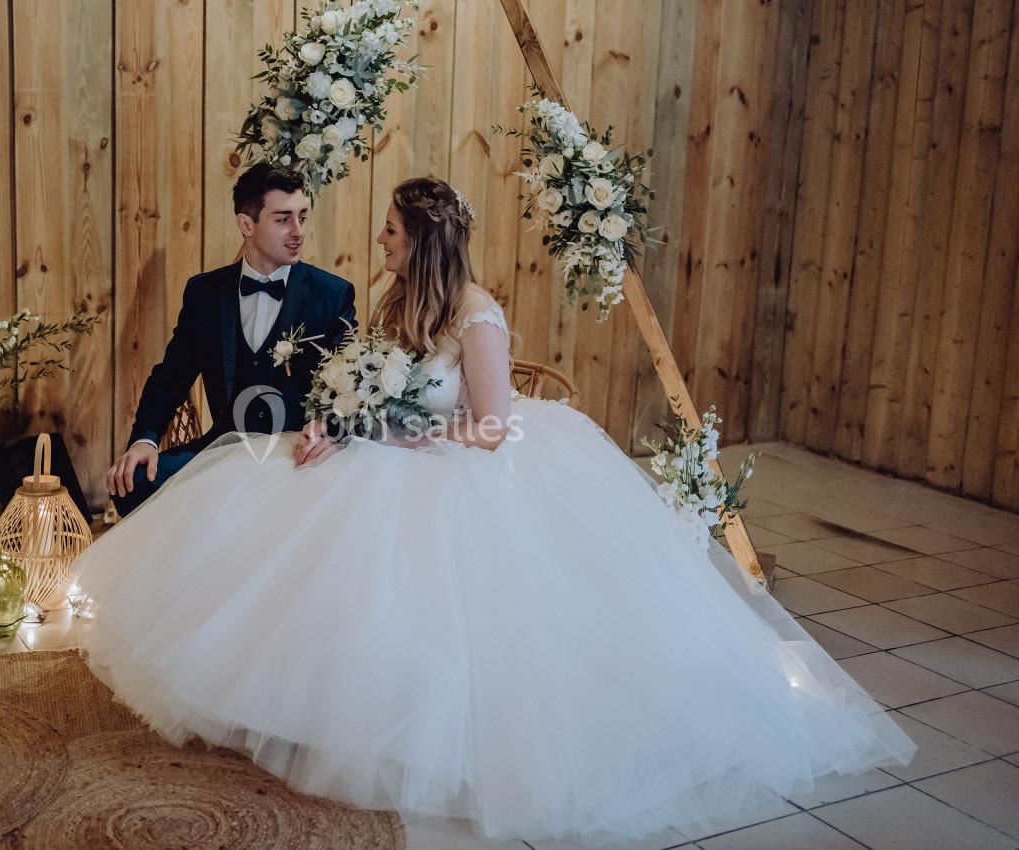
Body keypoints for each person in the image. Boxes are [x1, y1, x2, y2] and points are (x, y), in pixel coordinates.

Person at [75, 177, 914, 844]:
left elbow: (490, 426)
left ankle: (419, 736)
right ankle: (288, 701)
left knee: (440, 602)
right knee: (294, 527)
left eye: (392, 233)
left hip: (464, 467)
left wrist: (398, 432)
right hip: (388, 448)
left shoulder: (478, 314)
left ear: (423, 240)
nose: (379, 243)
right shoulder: (398, 300)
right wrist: (352, 421)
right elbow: (362, 377)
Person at [105, 162, 357, 516]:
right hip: (224, 446)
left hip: (295, 453)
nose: (298, 230)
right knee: (134, 481)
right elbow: (171, 376)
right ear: (246, 224)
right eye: (283, 218)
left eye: (302, 216)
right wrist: (144, 439)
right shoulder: (205, 292)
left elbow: (350, 387)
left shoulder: (331, 294)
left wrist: (327, 430)